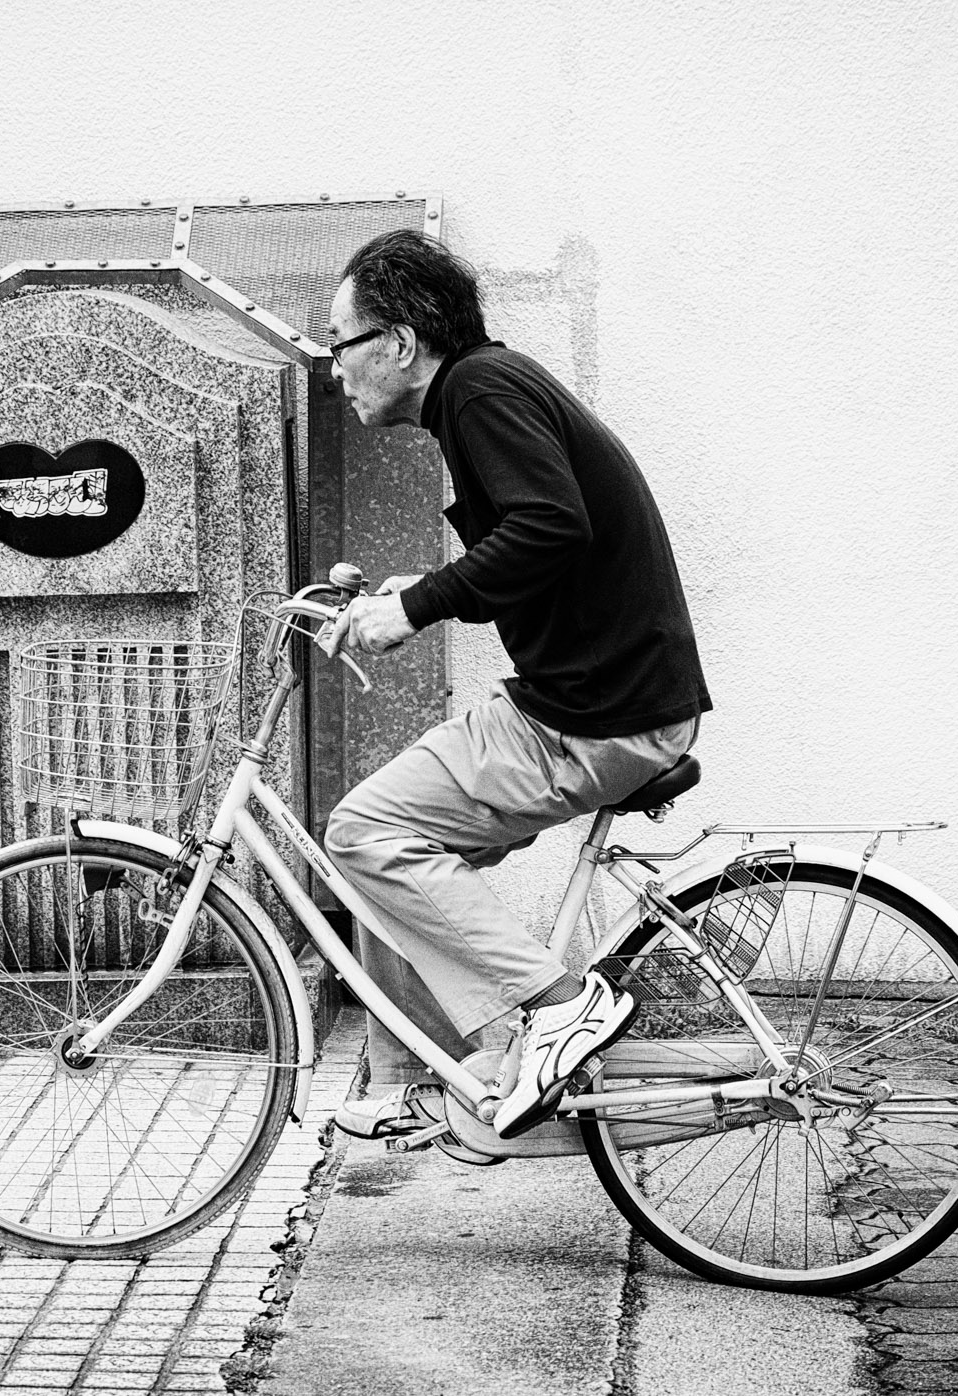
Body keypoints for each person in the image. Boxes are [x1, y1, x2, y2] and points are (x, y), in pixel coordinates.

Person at [323, 230, 712, 1143]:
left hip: (593, 717)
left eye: (341, 344)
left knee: (364, 831)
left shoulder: (479, 391)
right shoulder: (487, 388)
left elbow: (550, 525)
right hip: (598, 703)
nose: (335, 370)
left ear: (401, 343)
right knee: (395, 860)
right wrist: (419, 589)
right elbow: (534, 547)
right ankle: (444, 1082)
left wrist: (417, 607)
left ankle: (561, 1007)